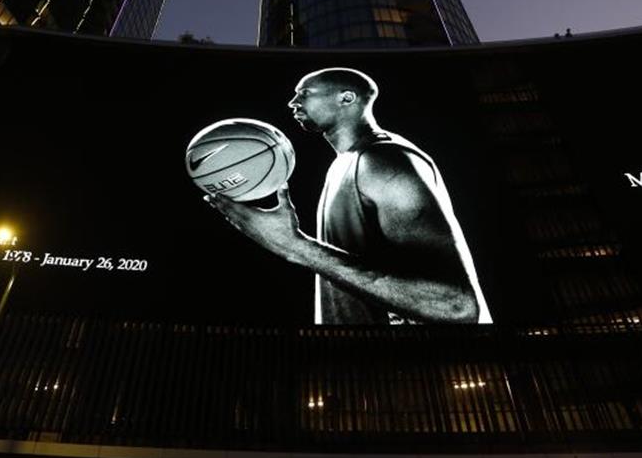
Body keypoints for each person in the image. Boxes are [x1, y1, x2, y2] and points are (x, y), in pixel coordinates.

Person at [205, 67, 491, 324]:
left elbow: (456, 305)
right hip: (373, 378)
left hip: (431, 377)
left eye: (304, 94)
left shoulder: (382, 160)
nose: (293, 103)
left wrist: (294, 246)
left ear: (346, 99)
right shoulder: (346, 163)